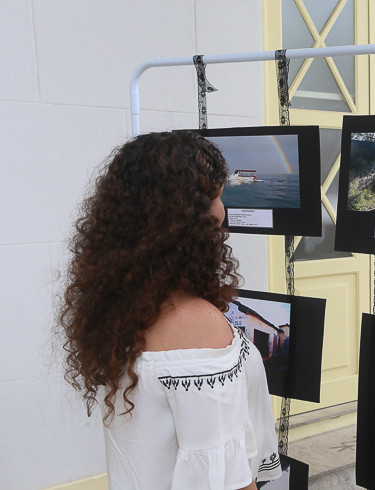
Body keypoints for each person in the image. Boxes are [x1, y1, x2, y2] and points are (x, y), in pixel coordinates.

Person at [59, 131, 281, 489]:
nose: (223, 211)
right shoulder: (198, 326)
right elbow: (224, 482)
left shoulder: (124, 305)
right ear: (188, 215)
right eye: (217, 197)